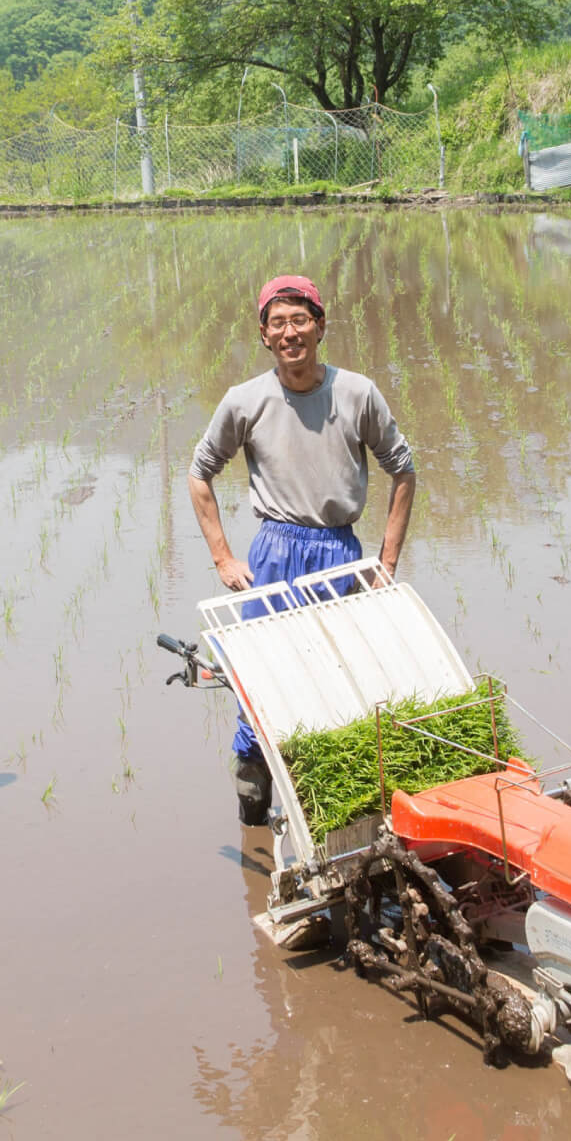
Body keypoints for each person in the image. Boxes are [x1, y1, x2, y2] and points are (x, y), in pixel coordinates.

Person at [187, 275, 417, 823]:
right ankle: (254, 804)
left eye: (300, 320)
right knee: (260, 685)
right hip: (273, 551)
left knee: (343, 684)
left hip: (340, 551)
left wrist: (385, 565)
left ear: (320, 326)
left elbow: (403, 470)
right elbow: (200, 474)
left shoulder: (357, 393)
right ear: (264, 335)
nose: (290, 333)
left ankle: (334, 815)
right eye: (278, 323)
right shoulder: (245, 401)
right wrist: (223, 556)